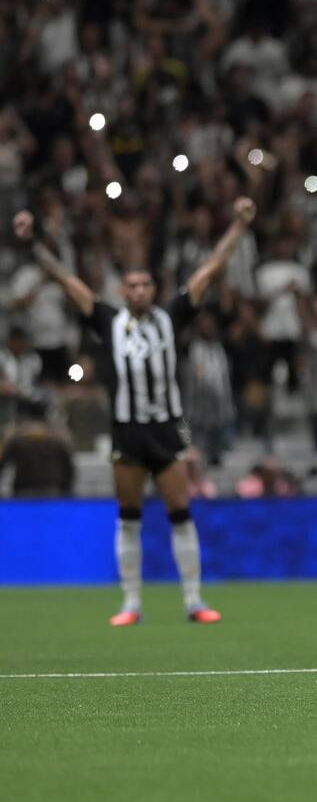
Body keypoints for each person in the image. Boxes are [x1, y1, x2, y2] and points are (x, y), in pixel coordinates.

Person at [12, 197, 257, 626]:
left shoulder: (170, 317)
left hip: (165, 426)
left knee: (180, 512)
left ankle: (194, 601)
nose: (140, 291)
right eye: (133, 286)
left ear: (153, 290)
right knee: (129, 517)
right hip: (127, 428)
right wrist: (33, 244)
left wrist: (237, 226)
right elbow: (67, 280)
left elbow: (211, 270)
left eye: (146, 285)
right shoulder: (108, 321)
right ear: (123, 292)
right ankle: (130, 604)